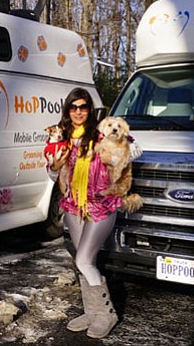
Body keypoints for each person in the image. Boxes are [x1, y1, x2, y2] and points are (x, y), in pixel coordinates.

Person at [46, 87, 121, 339]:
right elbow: (52, 172)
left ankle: (107, 314)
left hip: (101, 207)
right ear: (68, 110)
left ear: (90, 110)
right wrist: (55, 165)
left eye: (83, 107)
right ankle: (92, 312)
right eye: (73, 107)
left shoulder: (101, 134)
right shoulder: (62, 136)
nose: (78, 111)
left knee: (83, 261)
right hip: (73, 206)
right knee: (84, 262)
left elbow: (132, 152)